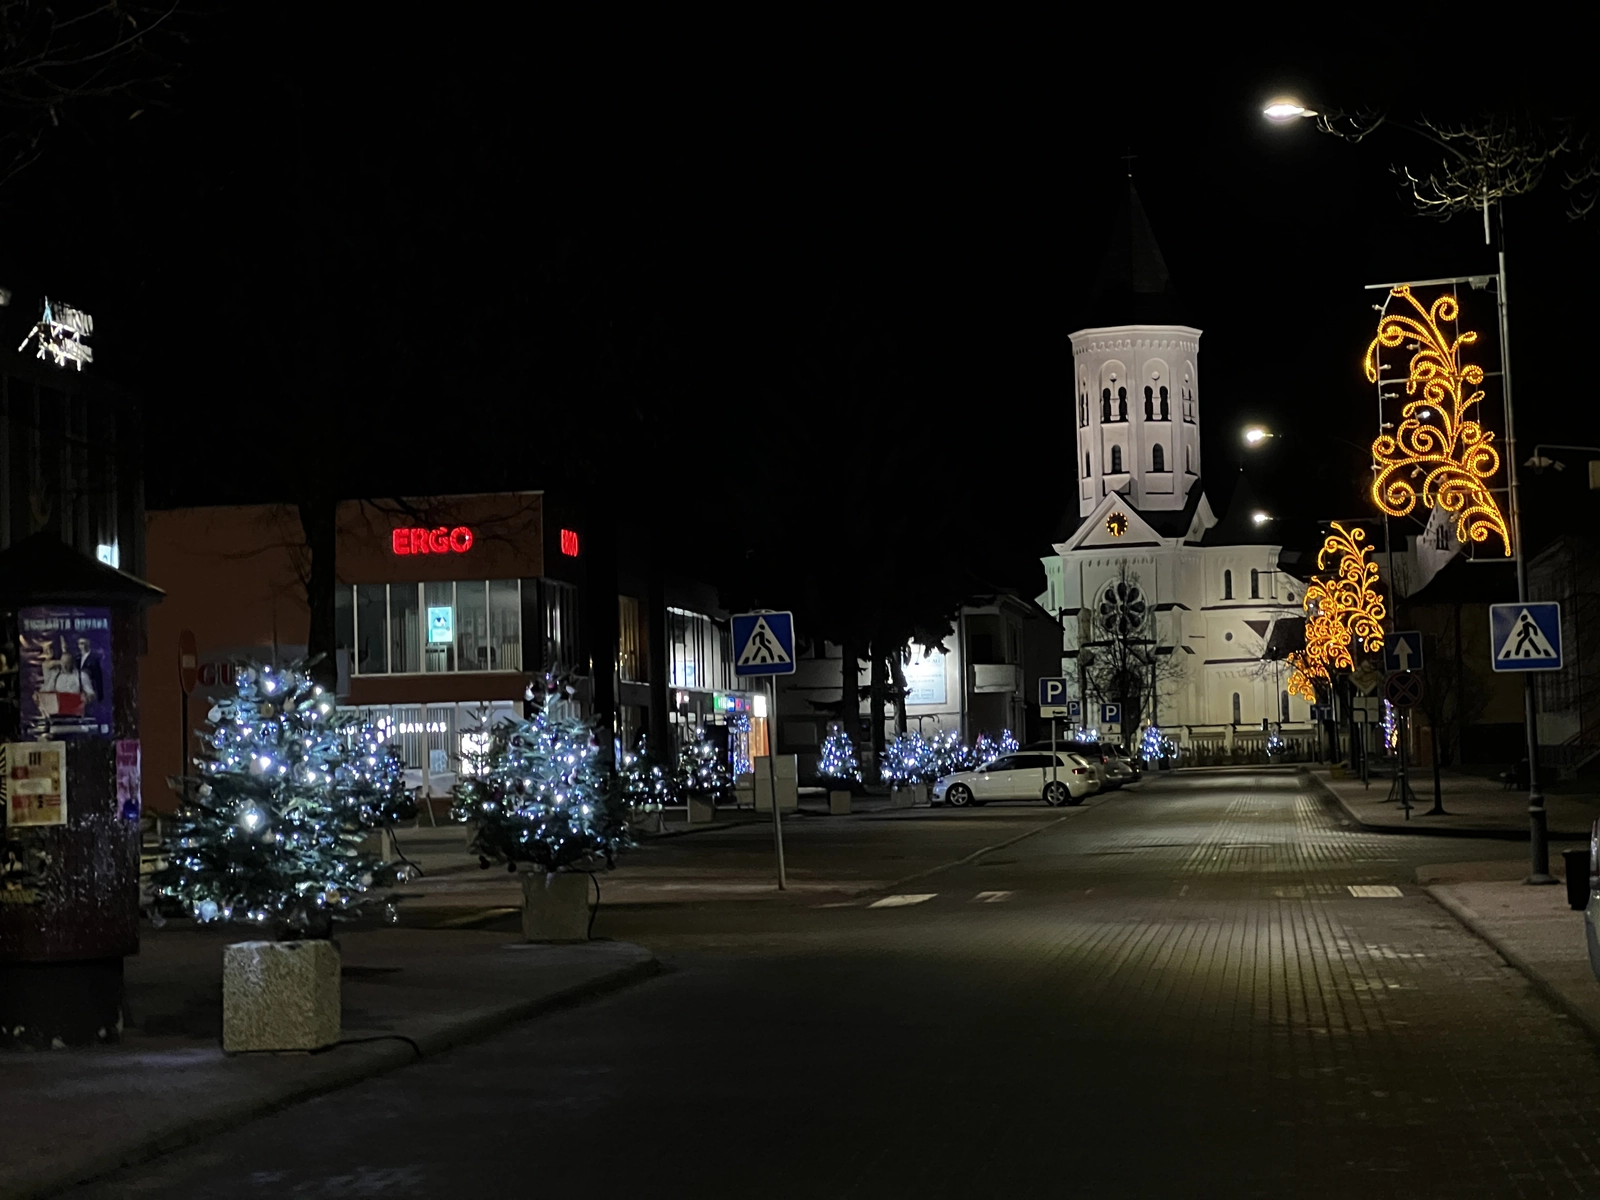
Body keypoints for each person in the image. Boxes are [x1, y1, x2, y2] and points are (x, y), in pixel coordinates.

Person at [75, 635, 105, 703]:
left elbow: (98, 679)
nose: (82, 646)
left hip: (90, 692)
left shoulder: (94, 659)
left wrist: (100, 696)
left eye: (83, 643)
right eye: (80, 643)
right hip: (79, 692)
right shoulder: (77, 658)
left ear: (88, 643)